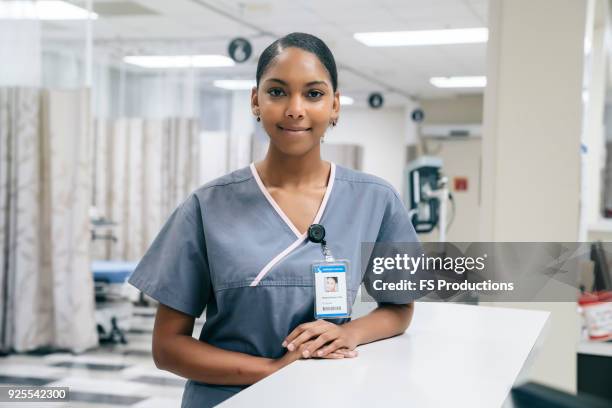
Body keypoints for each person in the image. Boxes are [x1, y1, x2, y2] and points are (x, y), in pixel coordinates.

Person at [128, 32, 419, 408]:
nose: (294, 109)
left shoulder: (376, 199)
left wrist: (349, 333)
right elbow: (167, 348)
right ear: (255, 101)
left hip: (324, 396)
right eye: (277, 92)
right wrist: (274, 369)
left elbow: (400, 308)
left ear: (335, 106)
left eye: (313, 94)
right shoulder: (207, 206)